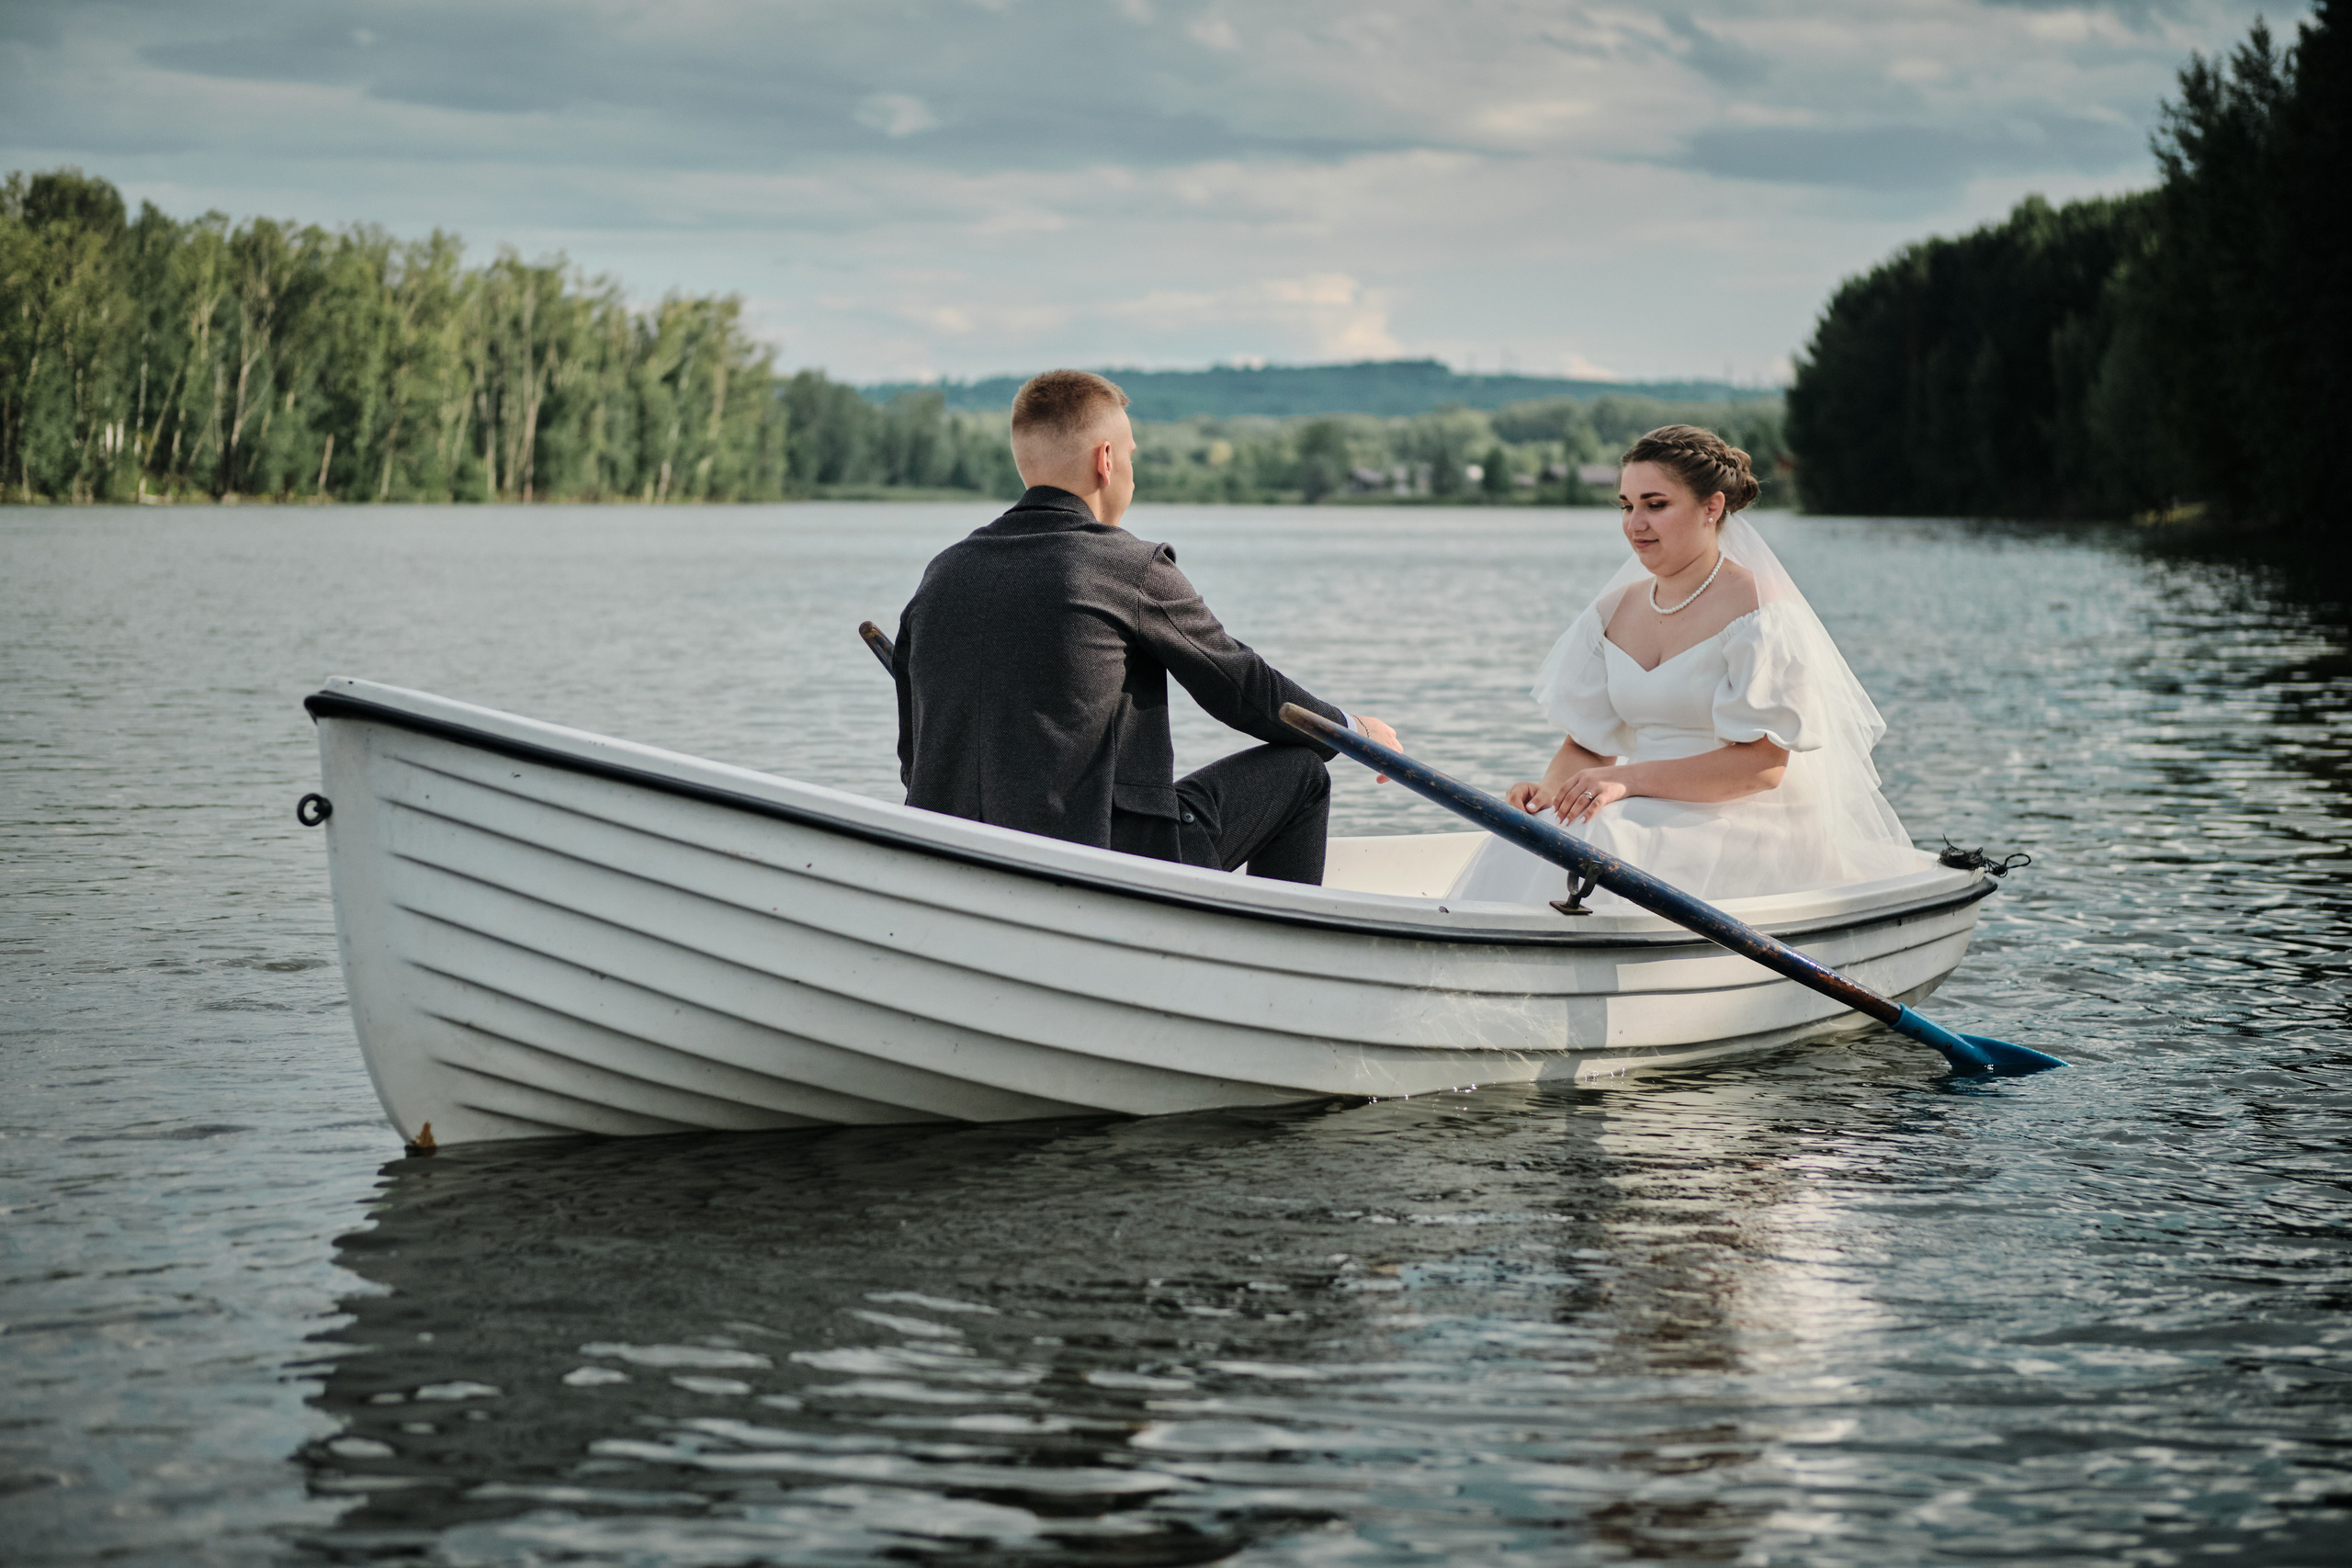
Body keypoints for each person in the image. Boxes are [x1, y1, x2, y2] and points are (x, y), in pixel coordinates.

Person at [895, 369, 1399, 885]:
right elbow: (1245, 690)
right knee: (1303, 772)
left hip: (951, 856)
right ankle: (1284, 953)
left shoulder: (942, 573)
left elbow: (913, 757)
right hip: (1112, 860)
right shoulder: (1128, 568)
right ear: (1106, 460)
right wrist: (1351, 732)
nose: (1131, 472)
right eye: (1131, 455)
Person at [1447, 423, 1929, 909]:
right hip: (1645, 805)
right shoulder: (1613, 613)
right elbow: (1587, 746)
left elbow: (1762, 768)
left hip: (1745, 814)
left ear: (1712, 508)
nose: (1635, 524)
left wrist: (1627, 782)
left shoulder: (1761, 612)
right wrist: (1551, 794)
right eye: (1626, 505)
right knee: (1531, 831)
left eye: (1655, 505)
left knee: (1608, 835)